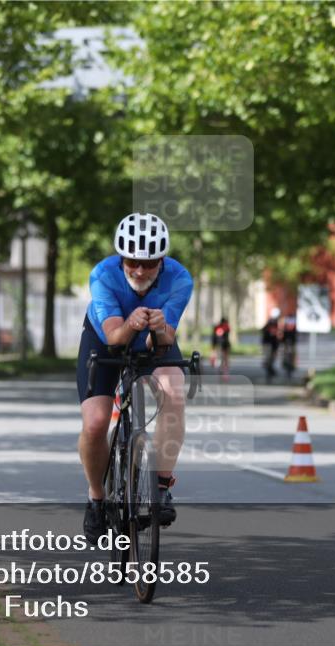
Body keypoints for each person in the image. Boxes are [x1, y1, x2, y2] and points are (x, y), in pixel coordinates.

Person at [76, 213, 193, 541]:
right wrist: (132, 323)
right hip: (105, 339)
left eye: (150, 263)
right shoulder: (102, 275)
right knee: (96, 423)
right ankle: (96, 497)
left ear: (162, 261)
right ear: (121, 259)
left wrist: (158, 328)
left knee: (174, 392)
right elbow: (115, 338)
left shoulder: (180, 279)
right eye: (132, 262)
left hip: (154, 337)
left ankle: (161, 487)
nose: (140, 271)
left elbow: (164, 341)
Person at [261, 308, 281, 382]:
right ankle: (270, 370)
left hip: (273, 344)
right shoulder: (270, 323)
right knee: (269, 359)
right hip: (268, 344)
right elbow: (264, 332)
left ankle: (270, 370)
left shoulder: (275, 323)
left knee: (271, 359)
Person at [281, 314, 298, 380]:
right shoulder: (286, 330)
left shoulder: (293, 330)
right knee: (287, 357)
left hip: (291, 344)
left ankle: (290, 368)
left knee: (291, 357)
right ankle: (287, 368)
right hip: (287, 344)